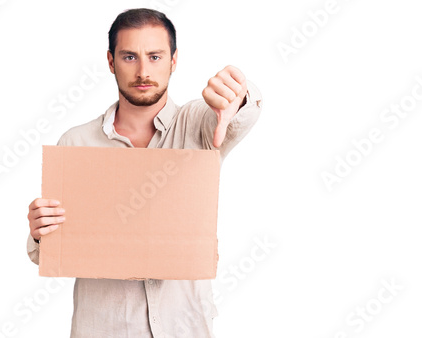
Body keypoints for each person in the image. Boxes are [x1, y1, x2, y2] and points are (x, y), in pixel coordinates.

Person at [27, 8, 262, 338]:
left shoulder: (198, 124)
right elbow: (56, 250)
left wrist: (238, 95)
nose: (143, 71)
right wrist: (40, 232)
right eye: (129, 57)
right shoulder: (76, 143)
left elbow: (239, 115)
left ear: (174, 60)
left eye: (155, 56)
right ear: (110, 62)